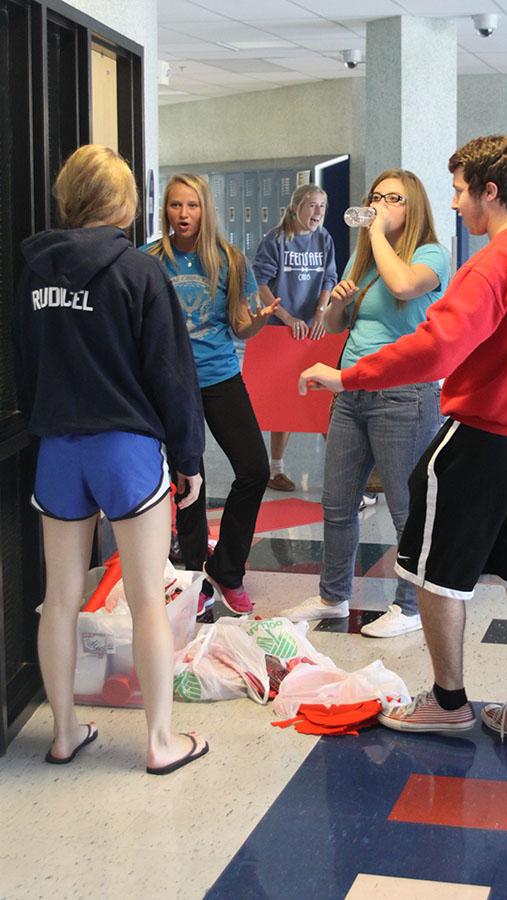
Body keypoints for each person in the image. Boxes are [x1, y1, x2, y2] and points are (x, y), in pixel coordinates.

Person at [299, 135, 507, 750]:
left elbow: (436, 348)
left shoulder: (494, 262)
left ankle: (449, 701)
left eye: (459, 189)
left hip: (483, 436)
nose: (454, 202)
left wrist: (347, 375)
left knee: (437, 574)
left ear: (490, 191)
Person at [14, 145, 208, 775]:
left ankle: (65, 731)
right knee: (148, 595)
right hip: (124, 448)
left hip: (58, 450)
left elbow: (24, 367)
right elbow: (171, 374)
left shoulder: (34, 272)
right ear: (124, 201)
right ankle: (158, 742)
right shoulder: (139, 272)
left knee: (59, 595)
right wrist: (188, 457)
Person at [282, 169, 450, 637]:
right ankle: (332, 596)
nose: (380, 205)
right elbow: (338, 326)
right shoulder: (366, 260)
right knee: (337, 502)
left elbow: (403, 287)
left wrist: (374, 233)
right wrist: (336, 302)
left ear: (413, 206)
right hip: (351, 392)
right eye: (376, 197)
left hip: (405, 396)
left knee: (404, 507)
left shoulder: (430, 254)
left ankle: (411, 606)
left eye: (393, 198)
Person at [143, 174, 278, 615]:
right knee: (188, 481)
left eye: (193, 206)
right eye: (176, 206)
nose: (184, 214)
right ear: (166, 210)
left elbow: (241, 325)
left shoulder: (230, 260)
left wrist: (259, 321)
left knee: (254, 468)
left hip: (220, 375)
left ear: (206, 210)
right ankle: (195, 576)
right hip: (169, 384)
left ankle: (228, 568)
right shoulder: (149, 260)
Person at [253, 184, 337, 492]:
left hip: (314, 330)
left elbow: (329, 277)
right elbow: (261, 282)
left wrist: (321, 312)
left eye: (322, 207)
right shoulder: (276, 240)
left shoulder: (324, 239)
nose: (317, 212)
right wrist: (286, 316)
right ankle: (276, 469)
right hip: (282, 330)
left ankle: (339, 469)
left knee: (323, 397)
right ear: (296, 208)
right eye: (312, 206)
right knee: (284, 401)